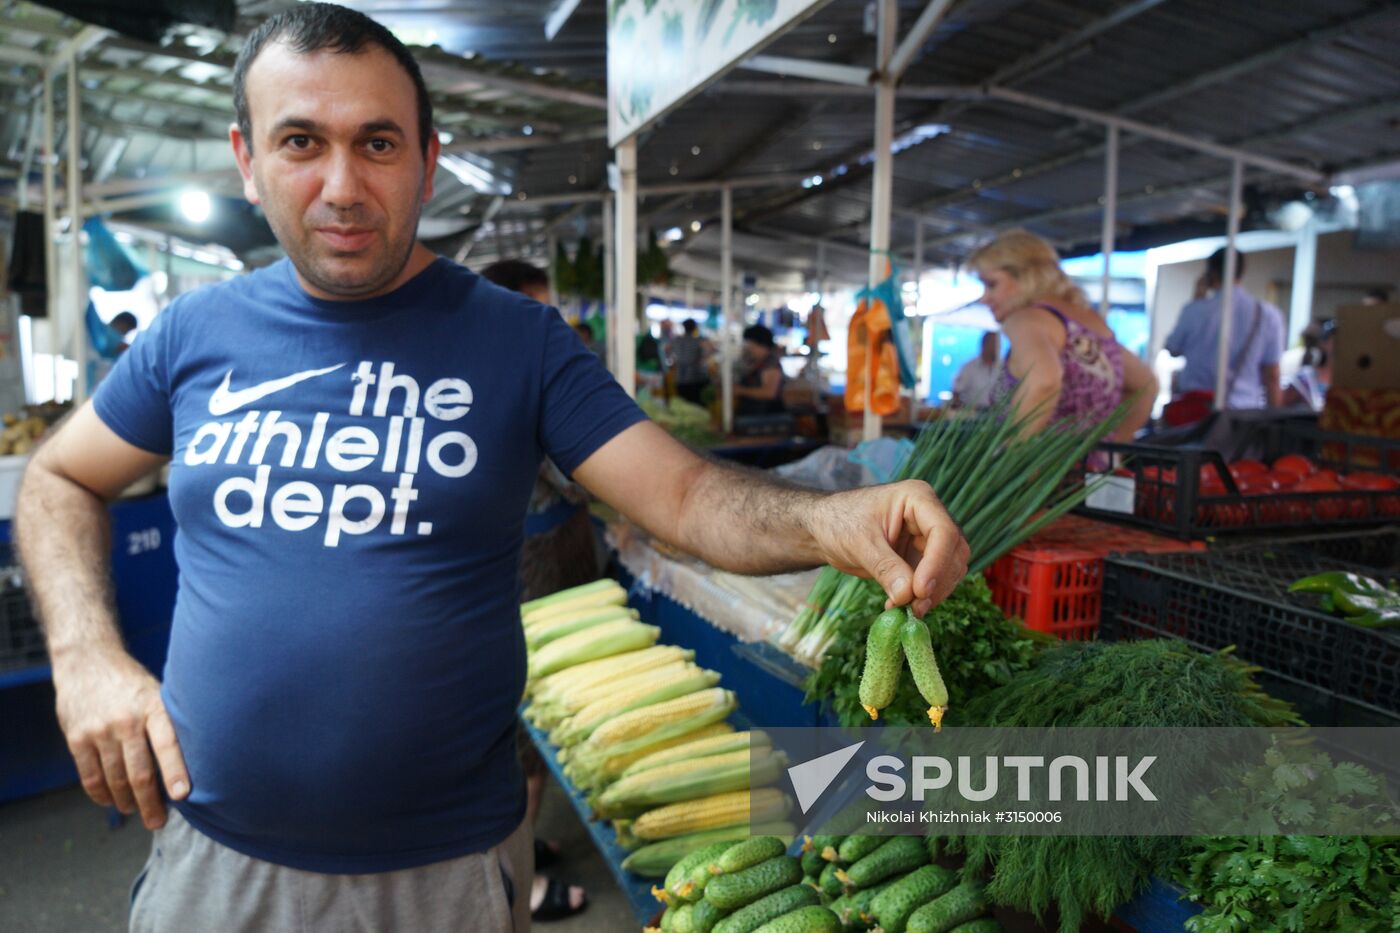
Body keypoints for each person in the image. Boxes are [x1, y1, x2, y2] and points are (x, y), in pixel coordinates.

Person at [12, 6, 968, 933]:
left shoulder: (519, 341)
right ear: (247, 161)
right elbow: (57, 479)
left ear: (428, 162)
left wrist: (827, 519)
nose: (342, 184)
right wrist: (86, 656)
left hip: (441, 878)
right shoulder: (192, 332)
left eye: (378, 144)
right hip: (212, 866)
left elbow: (682, 495)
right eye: (301, 142)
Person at [479, 259, 589, 923]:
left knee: (527, 722)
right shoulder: (514, 382)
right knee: (525, 724)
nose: (549, 322)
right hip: (527, 564)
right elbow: (576, 473)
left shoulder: (493, 368)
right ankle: (520, 882)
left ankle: (525, 849)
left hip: (529, 559)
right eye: (537, 308)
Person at [968, 229, 1156, 439]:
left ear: (1027, 276)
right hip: (1093, 469)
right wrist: (1115, 444)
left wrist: (1011, 458)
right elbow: (1146, 385)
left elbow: (1043, 382)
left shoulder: (1025, 319)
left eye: (991, 284)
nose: (984, 299)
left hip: (1041, 470)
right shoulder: (1089, 322)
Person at [1164, 248, 1285, 412]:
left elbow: (1173, 349)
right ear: (1242, 271)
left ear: (1210, 274)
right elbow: (1272, 376)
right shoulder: (1267, 315)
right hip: (1243, 414)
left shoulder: (1194, 310)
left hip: (1195, 411)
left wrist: (1197, 299)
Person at [733, 324, 786, 417]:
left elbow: (769, 393)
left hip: (766, 417)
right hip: (754, 415)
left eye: (750, 343)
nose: (748, 347)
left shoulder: (771, 364)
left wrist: (740, 390)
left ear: (760, 343)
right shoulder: (756, 361)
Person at [950, 331, 1001, 410]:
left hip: (997, 413)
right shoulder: (969, 367)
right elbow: (956, 391)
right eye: (993, 343)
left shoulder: (1003, 366)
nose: (995, 347)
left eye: (997, 344)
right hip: (974, 412)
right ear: (984, 344)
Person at [670, 318, 710, 405]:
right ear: (695, 328)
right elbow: (706, 355)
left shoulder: (677, 340)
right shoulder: (699, 340)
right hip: (696, 378)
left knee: (684, 405)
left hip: (680, 378)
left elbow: (669, 352)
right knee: (697, 404)